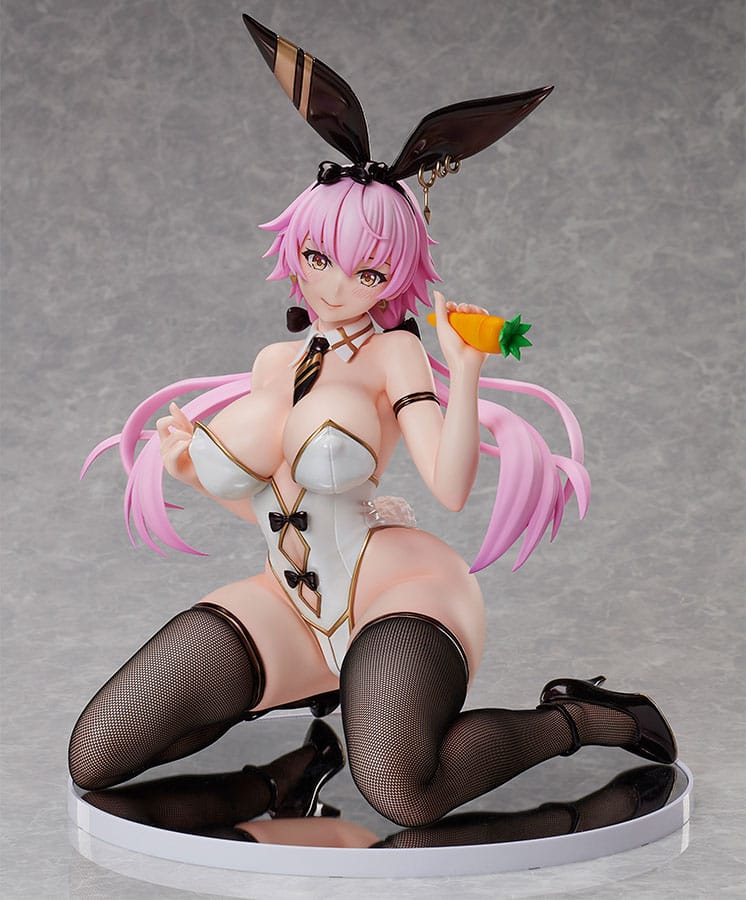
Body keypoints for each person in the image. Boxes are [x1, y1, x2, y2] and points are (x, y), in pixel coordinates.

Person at [68, 16, 676, 829]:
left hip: (397, 594)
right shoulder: (275, 364)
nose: (334, 286)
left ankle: (583, 718)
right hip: (294, 603)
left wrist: (464, 371)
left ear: (397, 274)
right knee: (96, 753)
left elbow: (450, 490)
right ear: (296, 246)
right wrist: (189, 465)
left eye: (367, 270)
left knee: (400, 792)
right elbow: (273, 502)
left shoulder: (396, 356)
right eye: (319, 257)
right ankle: (287, 775)